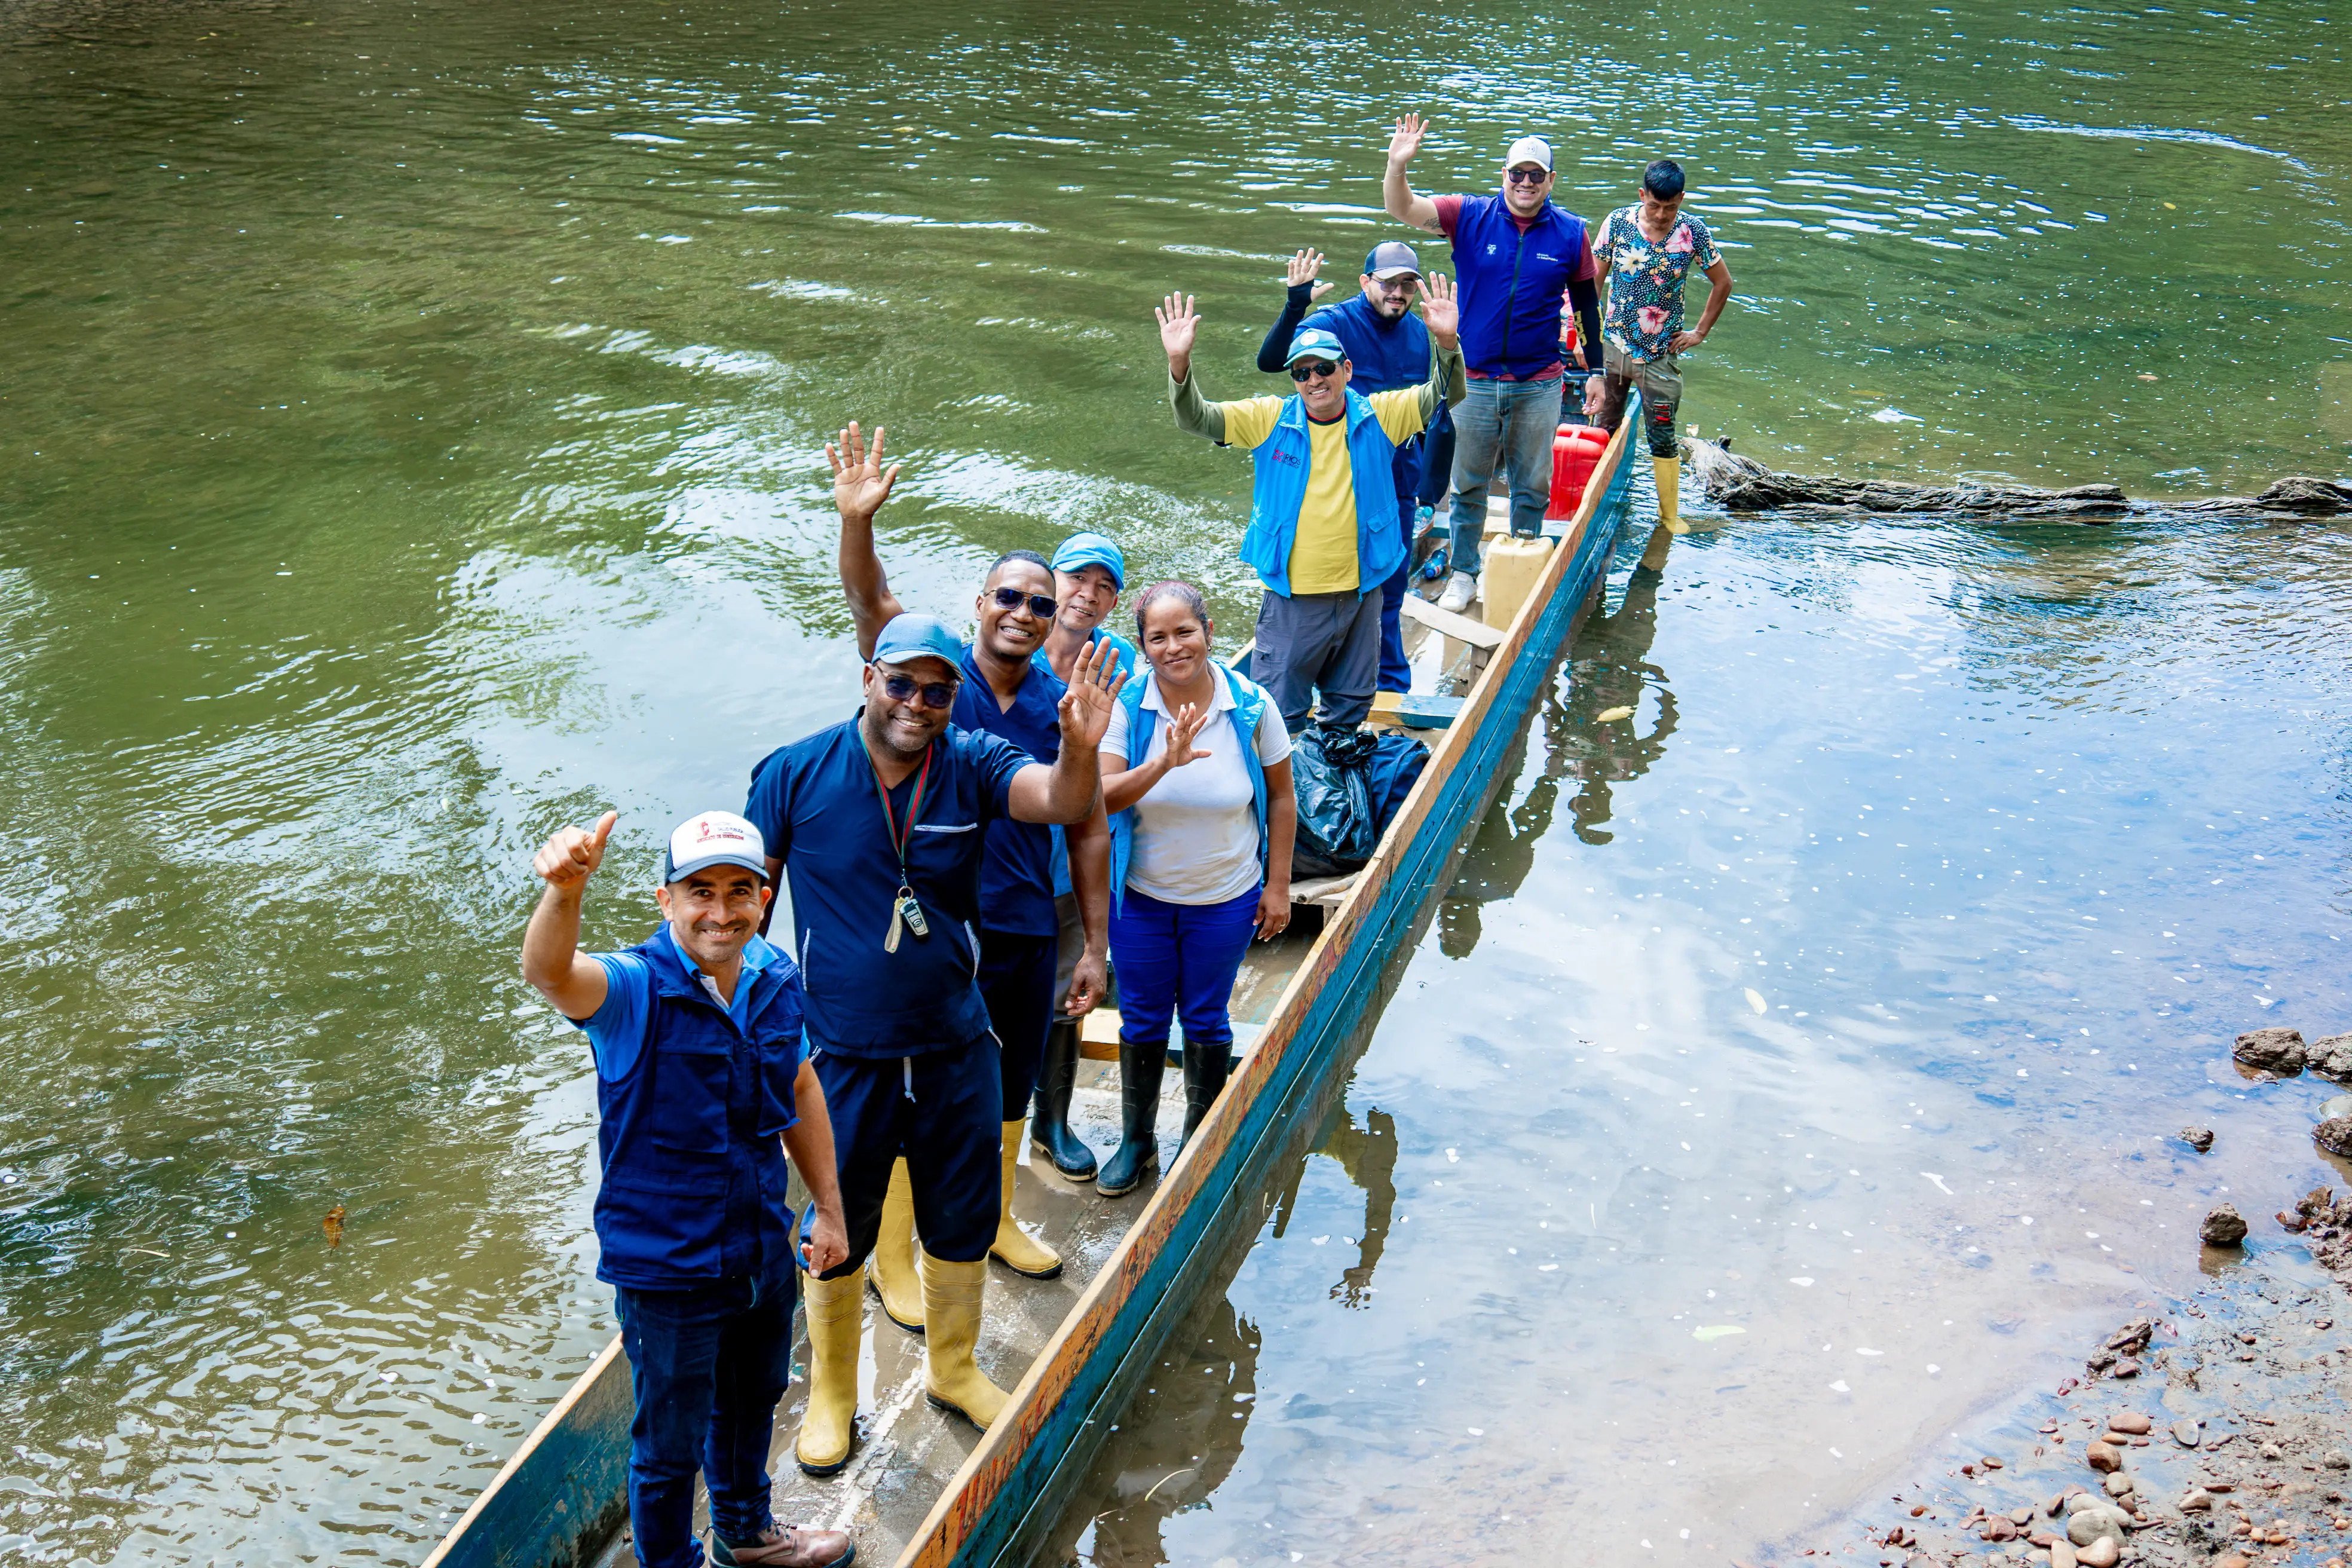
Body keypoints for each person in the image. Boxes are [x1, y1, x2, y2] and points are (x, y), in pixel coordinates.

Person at [743, 449, 1122, 1475]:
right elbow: (744, 913)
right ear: (870, 674)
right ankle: (831, 1392)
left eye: (936, 691)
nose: (918, 702)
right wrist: (742, 1035)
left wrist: (1082, 742)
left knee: (961, 1216)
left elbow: (1060, 802)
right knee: (837, 1224)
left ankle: (954, 1365)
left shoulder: (974, 758)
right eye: (902, 682)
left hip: (953, 1042)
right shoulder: (790, 774)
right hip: (847, 1054)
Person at [826, 433, 1113, 1322]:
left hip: (1026, 918)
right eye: (1008, 598)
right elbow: (871, 601)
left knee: (1008, 1081)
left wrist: (1095, 944)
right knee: (922, 1091)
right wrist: (858, 525)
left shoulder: (1055, 704)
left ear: (1058, 614)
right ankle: (892, 1258)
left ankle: (989, 1220)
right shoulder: (930, 676)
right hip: (939, 929)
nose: (1023, 613)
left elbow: (1088, 819)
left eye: (1041, 601)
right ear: (978, 605)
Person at [520, 808, 855, 1568]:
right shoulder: (632, 989)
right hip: (668, 1267)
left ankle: (747, 1531)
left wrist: (828, 1210)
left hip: (760, 1244)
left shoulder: (773, 977)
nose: (721, 910)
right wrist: (565, 891)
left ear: (763, 899)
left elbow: (801, 1086)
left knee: (753, 1397)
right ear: (664, 900)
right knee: (668, 1444)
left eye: (741, 890)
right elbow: (550, 973)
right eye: (699, 890)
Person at [1154, 274, 1465, 736]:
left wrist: (1446, 343)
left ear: (1347, 370)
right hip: (1293, 598)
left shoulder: (1381, 415)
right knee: (1276, 713)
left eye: (1323, 368)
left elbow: (1446, 393)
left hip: (1363, 593)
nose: (1313, 380)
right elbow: (1197, 418)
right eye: (1302, 372)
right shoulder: (1267, 419)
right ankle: (1280, 798)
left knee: (1351, 706)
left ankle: (1334, 784)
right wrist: (1180, 365)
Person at [1094, 580, 1298, 1195]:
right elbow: (1101, 795)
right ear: (1143, 647)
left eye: (1186, 630)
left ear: (1209, 631)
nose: (1175, 645)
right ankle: (1137, 1142)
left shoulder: (1251, 706)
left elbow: (1283, 797)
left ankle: (1198, 1134)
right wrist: (1164, 762)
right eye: (1158, 637)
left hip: (1226, 897)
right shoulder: (1128, 707)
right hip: (1142, 899)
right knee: (1142, 1016)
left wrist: (1279, 885)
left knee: (1206, 1016)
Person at [1382, 115, 1606, 614]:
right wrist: (1397, 166)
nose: (1525, 184)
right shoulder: (1469, 216)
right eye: (1516, 174)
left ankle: (1523, 554)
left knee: (1533, 482)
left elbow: (1587, 307)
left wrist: (1595, 372)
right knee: (1468, 484)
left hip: (1540, 382)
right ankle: (1464, 572)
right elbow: (1401, 207)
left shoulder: (1571, 234)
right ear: (1503, 175)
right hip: (1474, 381)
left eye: (1535, 175)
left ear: (1551, 180)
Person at [1254, 242, 1450, 696]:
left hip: (1395, 483)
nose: (1397, 293)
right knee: (1328, 590)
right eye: (1388, 283)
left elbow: (1436, 411)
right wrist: (1295, 304)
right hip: (1332, 486)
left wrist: (1430, 485)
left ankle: (1389, 686)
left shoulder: (1422, 334)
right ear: (1366, 283)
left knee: (1389, 586)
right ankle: (1325, 679)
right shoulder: (1334, 324)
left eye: (1407, 284)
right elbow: (1270, 363)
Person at [1031, 529, 1135, 1181]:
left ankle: (1051, 1121)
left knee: (1067, 994)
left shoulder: (1117, 660)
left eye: (1104, 587)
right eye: (1077, 579)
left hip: (1072, 861)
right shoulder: (1012, 646)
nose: (1087, 595)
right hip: (1001, 861)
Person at [1590, 159, 1734, 536]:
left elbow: (1723, 283)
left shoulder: (1694, 233)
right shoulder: (1618, 223)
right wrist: (1583, 338)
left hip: (1660, 354)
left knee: (1663, 435)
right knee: (1604, 423)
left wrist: (1699, 333)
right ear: (1643, 196)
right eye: (1655, 206)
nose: (1662, 215)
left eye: (1671, 208)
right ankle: (1592, 500)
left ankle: (1669, 516)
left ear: (1681, 200)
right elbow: (1592, 282)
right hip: (1614, 345)